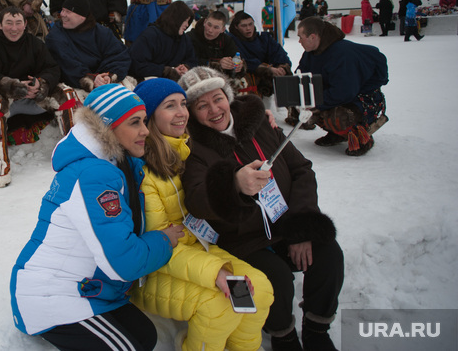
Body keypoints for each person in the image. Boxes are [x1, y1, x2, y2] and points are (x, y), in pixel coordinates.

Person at [179, 66, 344, 351]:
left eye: (217, 99)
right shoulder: (194, 148)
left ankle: (317, 328)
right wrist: (234, 185)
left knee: (328, 255)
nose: (214, 110)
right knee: (276, 279)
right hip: (243, 240)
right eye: (201, 105)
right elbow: (196, 199)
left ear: (228, 97)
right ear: (192, 113)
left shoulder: (260, 126)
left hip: (287, 224)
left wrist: (300, 229)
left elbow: (301, 170)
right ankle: (283, 335)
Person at [10, 84, 185, 351]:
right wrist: (163, 240)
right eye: (135, 123)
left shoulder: (117, 162)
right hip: (50, 297)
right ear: (107, 128)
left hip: (89, 287)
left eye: (145, 121)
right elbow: (124, 262)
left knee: (146, 336)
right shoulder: (94, 175)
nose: (146, 131)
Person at [131, 78, 273, 351]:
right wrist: (215, 271)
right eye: (170, 106)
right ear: (149, 116)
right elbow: (160, 245)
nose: (182, 112)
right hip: (155, 269)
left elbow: (227, 121)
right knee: (220, 306)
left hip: (196, 249)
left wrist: (263, 121)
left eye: (183, 104)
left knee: (261, 291)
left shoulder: (183, 147)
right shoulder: (145, 171)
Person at [0, 6, 78, 188]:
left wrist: (41, 83)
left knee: (67, 93)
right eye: (9, 23)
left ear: (25, 24)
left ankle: (74, 155)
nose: (14, 28)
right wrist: (11, 86)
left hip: (33, 99)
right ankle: (1, 167)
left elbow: (52, 68)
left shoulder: (35, 44)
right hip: (5, 103)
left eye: (18, 23)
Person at [297, 17, 389, 156]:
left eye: (300, 37)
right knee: (310, 108)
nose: (299, 41)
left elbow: (343, 92)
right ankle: (337, 134)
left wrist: (315, 103)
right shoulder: (310, 54)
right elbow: (301, 75)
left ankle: (362, 139)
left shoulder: (342, 54)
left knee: (337, 115)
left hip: (362, 100)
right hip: (338, 96)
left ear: (312, 37)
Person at [45, 0, 133, 98]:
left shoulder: (101, 32)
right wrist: (91, 79)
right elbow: (66, 63)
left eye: (68, 12)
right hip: (73, 84)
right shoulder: (55, 36)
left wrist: (108, 75)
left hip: (104, 81)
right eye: (63, 10)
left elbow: (119, 55)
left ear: (82, 16)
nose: (62, 14)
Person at [227, 11, 291, 98]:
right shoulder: (231, 41)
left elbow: (279, 54)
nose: (248, 28)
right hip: (248, 85)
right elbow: (241, 61)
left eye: (250, 24)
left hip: (270, 83)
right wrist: (266, 69)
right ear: (236, 26)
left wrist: (281, 67)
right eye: (244, 26)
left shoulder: (264, 38)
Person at [128, 0, 196, 81]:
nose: (187, 25)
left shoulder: (184, 40)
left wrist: (186, 67)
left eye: (188, 21)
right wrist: (167, 71)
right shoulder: (151, 35)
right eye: (185, 20)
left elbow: (192, 60)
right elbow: (136, 64)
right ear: (176, 19)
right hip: (150, 81)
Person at [187, 10, 244, 77]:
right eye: (209, 25)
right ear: (204, 22)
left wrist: (237, 66)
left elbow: (235, 56)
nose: (210, 30)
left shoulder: (226, 40)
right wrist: (218, 63)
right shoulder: (191, 37)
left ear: (223, 29)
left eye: (216, 27)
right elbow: (191, 61)